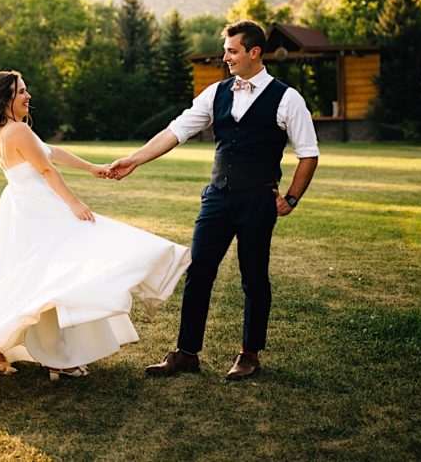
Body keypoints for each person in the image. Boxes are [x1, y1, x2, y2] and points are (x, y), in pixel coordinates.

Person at [0, 70, 191, 381]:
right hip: (39, 210)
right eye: (22, 91)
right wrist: (74, 204)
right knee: (67, 268)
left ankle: (30, 350)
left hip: (25, 208)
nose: (28, 96)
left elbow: (52, 151)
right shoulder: (17, 131)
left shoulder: (5, 130)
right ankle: (56, 358)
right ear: (7, 98)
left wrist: (92, 168)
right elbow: (47, 170)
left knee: (45, 279)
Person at [109, 20, 319, 380]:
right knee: (199, 271)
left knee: (254, 278)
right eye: (226, 50)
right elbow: (177, 130)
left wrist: (291, 199)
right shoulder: (216, 93)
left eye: (232, 51)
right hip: (217, 198)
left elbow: (308, 154)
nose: (225, 57)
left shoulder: (287, 98)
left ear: (254, 52)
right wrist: (134, 160)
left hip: (258, 200)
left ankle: (248, 354)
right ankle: (186, 353)